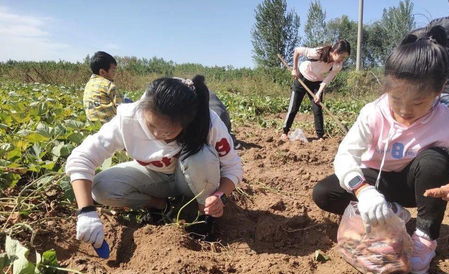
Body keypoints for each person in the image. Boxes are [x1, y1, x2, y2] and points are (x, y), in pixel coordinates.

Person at [312, 27, 449, 274]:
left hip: (417, 188)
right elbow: (345, 156)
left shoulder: (448, 121)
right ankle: (385, 218)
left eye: (418, 102)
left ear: (438, 91)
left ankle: (425, 238)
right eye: (396, 99)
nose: (405, 111)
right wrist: (363, 191)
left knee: (435, 160)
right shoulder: (374, 113)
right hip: (376, 182)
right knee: (324, 193)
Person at [66, 75, 243, 246]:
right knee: (101, 188)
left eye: (167, 132)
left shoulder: (208, 123)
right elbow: (82, 157)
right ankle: (161, 206)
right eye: (151, 126)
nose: (157, 135)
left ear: (186, 124)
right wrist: (86, 212)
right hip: (156, 178)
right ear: (143, 109)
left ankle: (203, 215)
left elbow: (233, 168)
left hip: (194, 179)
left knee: (201, 156)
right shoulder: (128, 120)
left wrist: (218, 196)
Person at [282, 40, 351, 140]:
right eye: (342, 56)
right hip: (302, 77)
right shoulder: (318, 52)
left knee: (317, 109)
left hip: (317, 82)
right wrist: (294, 69)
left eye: (345, 57)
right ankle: (285, 132)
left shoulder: (337, 65)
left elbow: (327, 80)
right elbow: (297, 51)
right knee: (294, 107)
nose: (342, 60)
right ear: (336, 52)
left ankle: (320, 136)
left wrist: (318, 93)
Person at [83, 51, 124, 123]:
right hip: (109, 127)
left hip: (93, 125)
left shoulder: (88, 84)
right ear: (102, 72)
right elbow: (124, 109)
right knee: (128, 102)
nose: (115, 73)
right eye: (113, 70)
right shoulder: (109, 85)